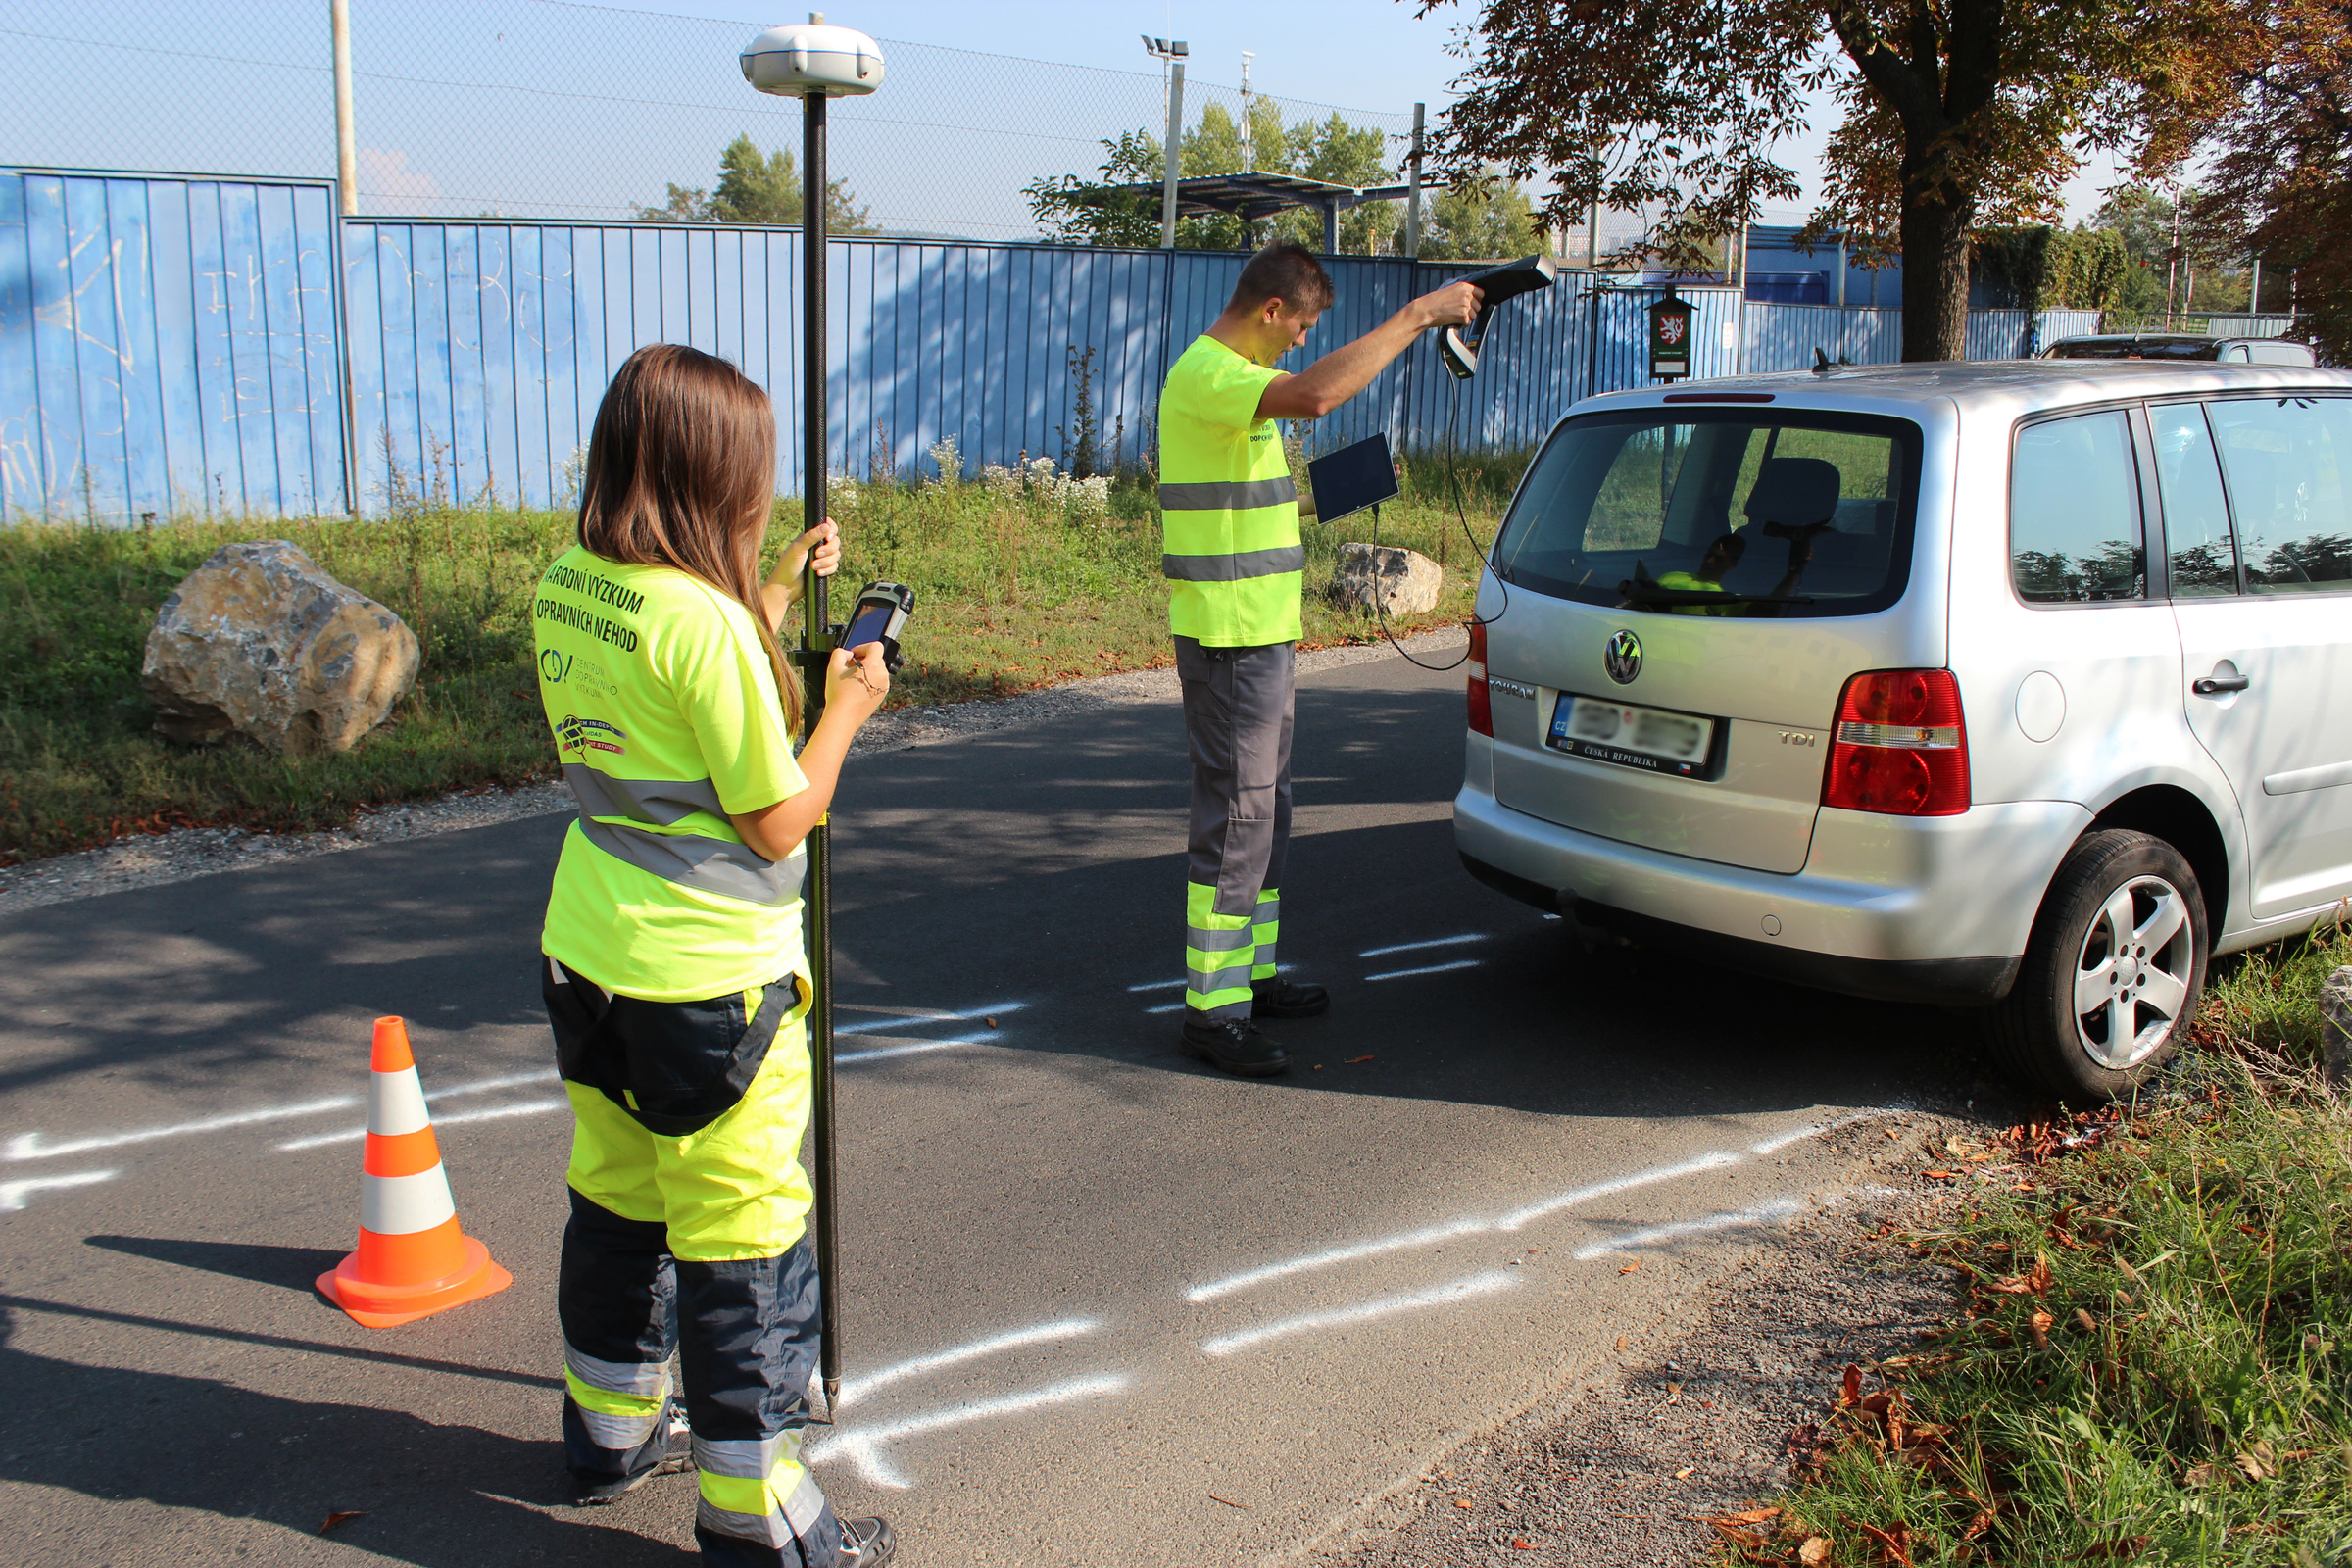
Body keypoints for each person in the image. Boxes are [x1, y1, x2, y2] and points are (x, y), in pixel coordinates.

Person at [531, 342, 897, 1567]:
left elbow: (671, 710)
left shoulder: (569, 583)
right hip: (712, 985)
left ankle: (611, 1429)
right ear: (708, 475)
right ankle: (761, 1514)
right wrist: (846, 707)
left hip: (590, 952)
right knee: (743, 1236)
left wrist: (778, 593)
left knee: (620, 1195)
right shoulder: (707, 626)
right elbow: (776, 812)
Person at [1157, 243, 1482, 1077]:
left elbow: (1246, 500)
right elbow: (1317, 394)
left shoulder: (1236, 394)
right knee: (1238, 816)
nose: (1302, 340)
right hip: (1231, 635)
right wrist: (1417, 316)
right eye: (1301, 325)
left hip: (1259, 629)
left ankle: (1251, 978)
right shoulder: (1211, 373)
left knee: (1268, 812)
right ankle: (1212, 1012)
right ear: (1271, 311)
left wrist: (1331, 491)